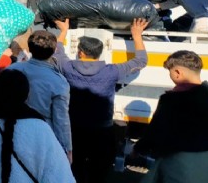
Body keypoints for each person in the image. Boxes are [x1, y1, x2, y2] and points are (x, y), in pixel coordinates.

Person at [53, 18, 149, 183]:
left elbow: (56, 52)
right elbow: (140, 61)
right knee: (99, 169)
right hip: (102, 130)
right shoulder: (111, 71)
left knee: (75, 167)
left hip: (74, 129)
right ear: (99, 53)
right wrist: (136, 35)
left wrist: (63, 31)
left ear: (81, 52)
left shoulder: (68, 68)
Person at [131, 50, 208, 183]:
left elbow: (154, 132)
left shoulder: (170, 101)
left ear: (178, 73)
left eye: (170, 72)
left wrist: (138, 149)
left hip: (176, 163)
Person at [7, 30, 73, 163]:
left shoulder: (11, 70)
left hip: (10, 130)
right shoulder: (59, 81)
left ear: (29, 48)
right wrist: (67, 149)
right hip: (40, 137)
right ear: (54, 50)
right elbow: (61, 120)